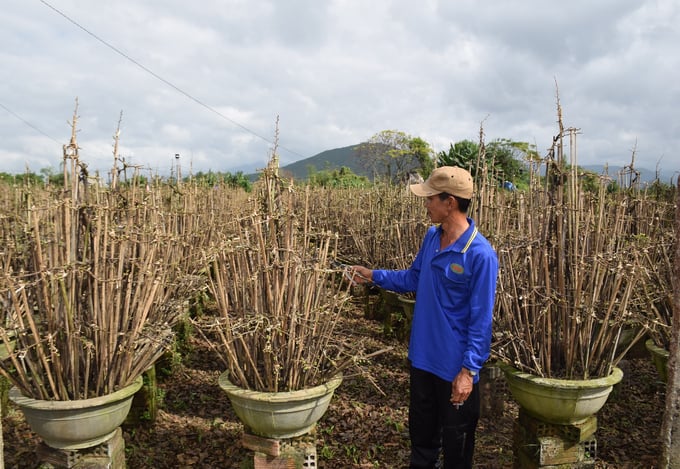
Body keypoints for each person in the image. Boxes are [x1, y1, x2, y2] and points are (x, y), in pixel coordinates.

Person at [351, 166, 498, 469]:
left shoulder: (480, 255)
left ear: (450, 202)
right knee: (422, 444)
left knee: (457, 454)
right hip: (422, 361)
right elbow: (412, 279)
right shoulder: (432, 238)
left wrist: (468, 372)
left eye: (431, 198)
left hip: (454, 371)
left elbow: (481, 320)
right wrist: (374, 276)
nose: (426, 204)